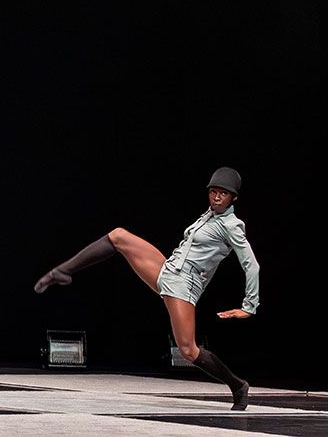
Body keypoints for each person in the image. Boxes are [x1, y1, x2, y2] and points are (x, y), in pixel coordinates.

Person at [33, 166, 259, 410]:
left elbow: (252, 265)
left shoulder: (232, 226)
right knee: (119, 236)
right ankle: (62, 271)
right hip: (168, 270)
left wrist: (249, 306)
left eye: (223, 194)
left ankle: (238, 386)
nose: (216, 197)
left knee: (188, 350)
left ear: (233, 198)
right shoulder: (208, 215)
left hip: (183, 286)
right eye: (213, 192)